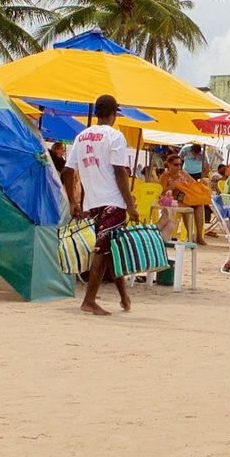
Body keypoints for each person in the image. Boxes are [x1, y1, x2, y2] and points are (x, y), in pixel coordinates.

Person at [69, 95, 136, 314]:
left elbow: (68, 171)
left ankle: (124, 298)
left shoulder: (81, 137)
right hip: (113, 202)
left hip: (94, 203)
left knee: (110, 250)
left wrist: (74, 201)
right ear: (114, 114)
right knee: (103, 250)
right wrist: (130, 205)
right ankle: (89, 301)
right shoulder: (115, 136)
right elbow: (120, 172)